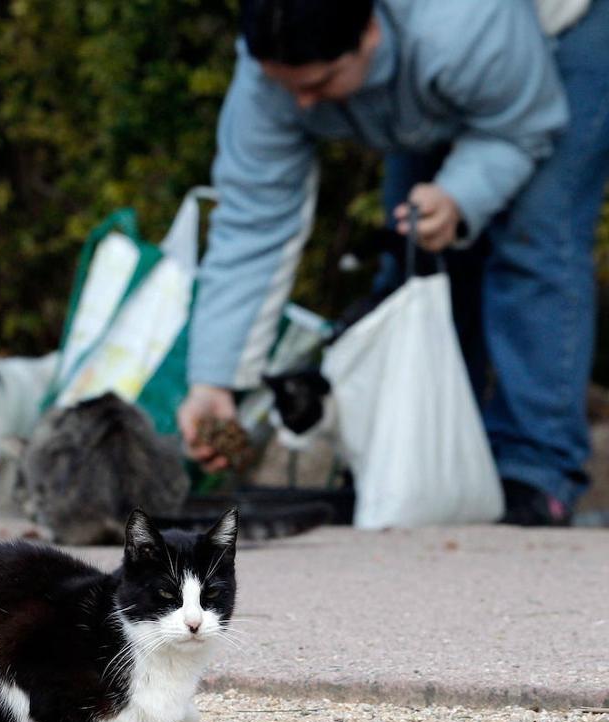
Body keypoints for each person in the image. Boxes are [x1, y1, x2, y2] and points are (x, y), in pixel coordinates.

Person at [177, 0, 609, 525]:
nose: (304, 102)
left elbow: (522, 127)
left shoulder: (457, 29)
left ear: (369, 34)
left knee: (535, 236)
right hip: (434, 67)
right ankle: (424, 460)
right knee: (413, 251)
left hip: (560, 31)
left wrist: (460, 194)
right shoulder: (270, 70)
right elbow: (252, 220)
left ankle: (536, 472)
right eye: (287, 86)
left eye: (321, 82)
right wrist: (214, 381)